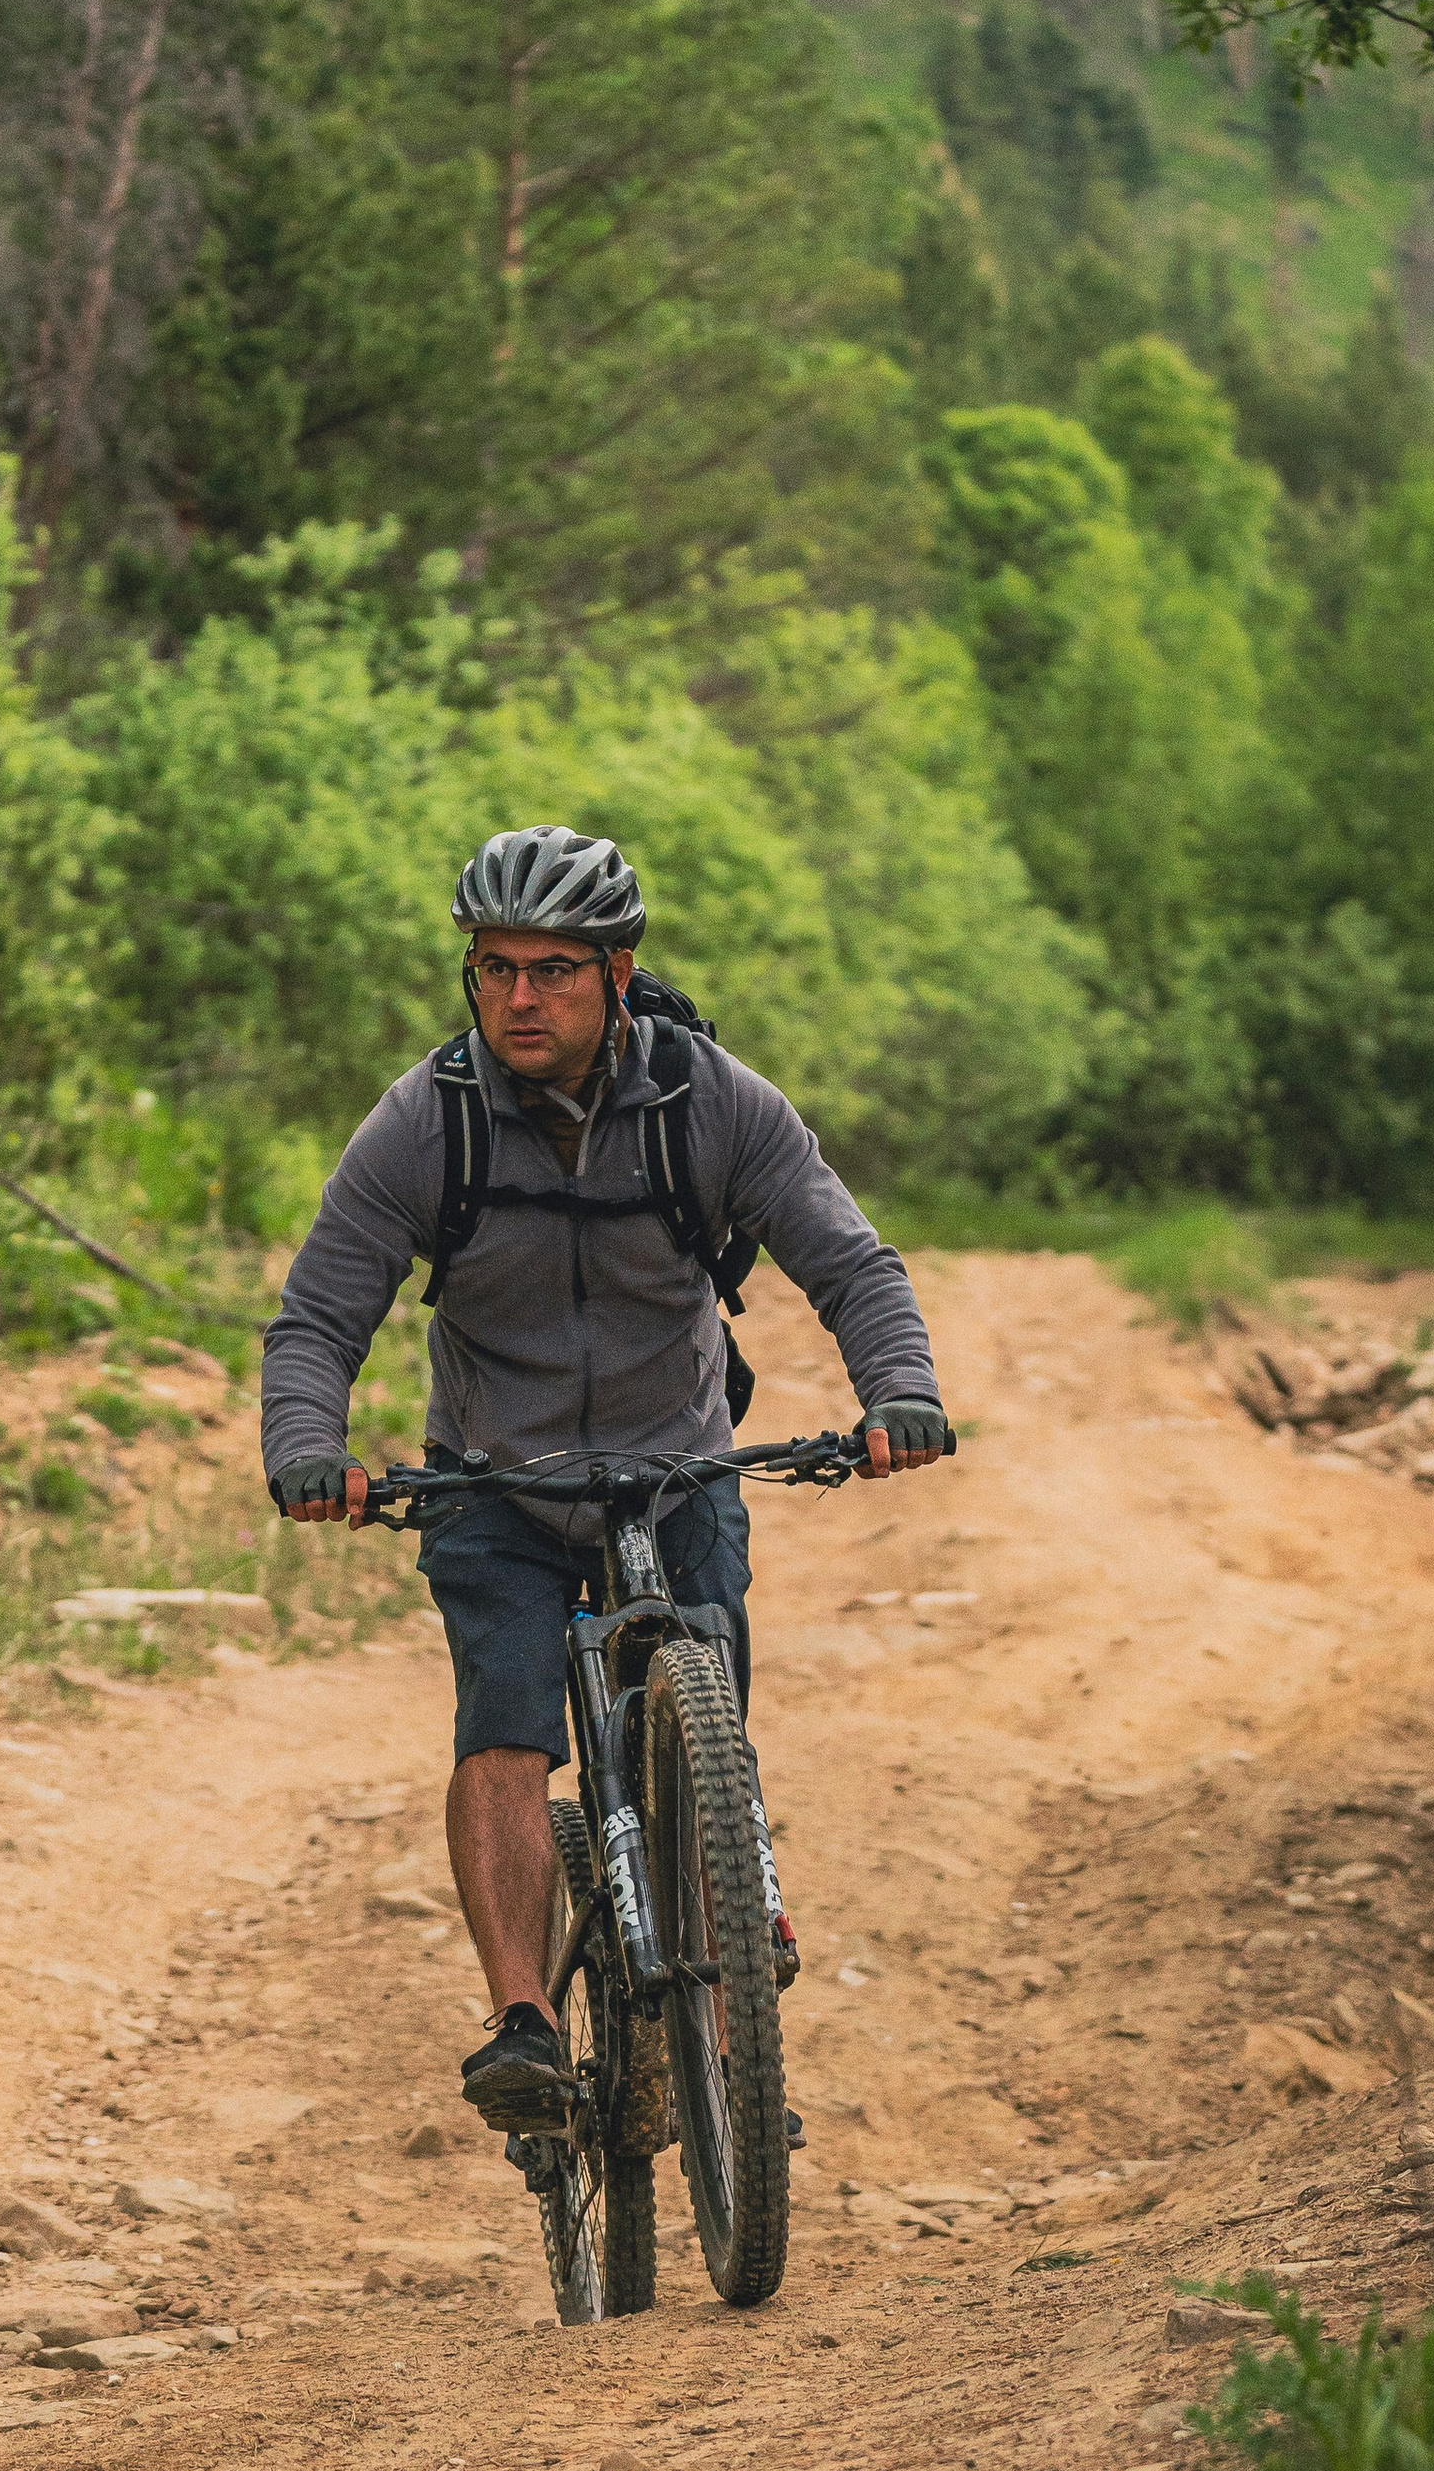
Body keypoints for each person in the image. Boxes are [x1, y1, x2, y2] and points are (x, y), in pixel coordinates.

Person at [260, 824, 949, 2131]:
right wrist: (307, 1449)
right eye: (497, 969)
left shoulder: (712, 1104)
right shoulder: (428, 1125)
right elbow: (319, 1318)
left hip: (677, 1458)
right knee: (507, 1727)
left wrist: (896, 1393)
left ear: (618, 977)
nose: (521, 998)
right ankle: (524, 2019)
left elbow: (853, 1264)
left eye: (555, 972)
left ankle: (739, 2049)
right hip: (494, 1481)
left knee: (707, 1710)